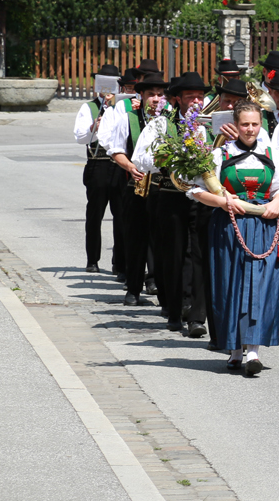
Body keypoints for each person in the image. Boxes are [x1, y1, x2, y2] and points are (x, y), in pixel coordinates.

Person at [189, 101, 279, 375]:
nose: (250, 129)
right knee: (230, 285)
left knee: (261, 286)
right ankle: (235, 349)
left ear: (261, 125)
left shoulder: (271, 153)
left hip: (264, 227)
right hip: (229, 228)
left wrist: (276, 203)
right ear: (236, 124)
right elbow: (196, 191)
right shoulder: (220, 154)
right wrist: (222, 202)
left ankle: (254, 352)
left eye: (255, 124)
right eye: (245, 124)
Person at [133, 71, 212, 335]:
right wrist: (166, 159)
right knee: (174, 256)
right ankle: (176, 310)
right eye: (191, 97)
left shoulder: (209, 125)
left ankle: (197, 317)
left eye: (200, 96)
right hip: (170, 195)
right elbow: (140, 159)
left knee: (199, 255)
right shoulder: (160, 125)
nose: (197, 102)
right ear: (177, 99)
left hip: (202, 197)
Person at [102, 69, 168, 305]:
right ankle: (133, 288)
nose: (157, 98)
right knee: (135, 237)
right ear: (141, 95)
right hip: (136, 184)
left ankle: (160, 286)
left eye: (161, 94)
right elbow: (115, 150)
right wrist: (130, 167)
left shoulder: (169, 120)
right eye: (152, 94)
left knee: (161, 240)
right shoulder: (129, 117)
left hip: (163, 187)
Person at [75, 64, 122, 274]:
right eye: (104, 85)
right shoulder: (89, 107)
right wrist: (95, 126)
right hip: (98, 162)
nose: (108, 90)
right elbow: (80, 137)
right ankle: (92, 260)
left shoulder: (123, 107)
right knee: (95, 214)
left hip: (119, 165)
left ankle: (119, 262)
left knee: (121, 215)